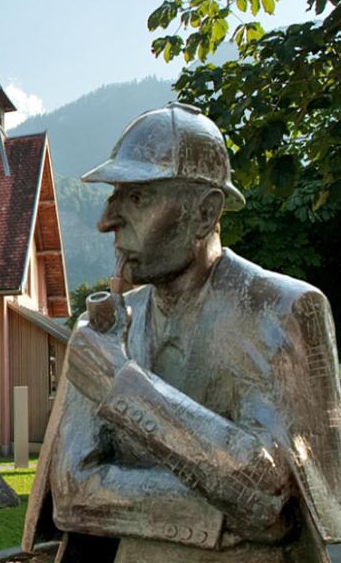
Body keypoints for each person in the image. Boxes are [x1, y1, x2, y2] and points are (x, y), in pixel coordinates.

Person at [22, 102, 341, 563]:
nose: (106, 220)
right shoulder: (108, 323)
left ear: (205, 212)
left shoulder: (283, 311)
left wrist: (121, 386)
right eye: (116, 196)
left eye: (138, 198)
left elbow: (271, 495)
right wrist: (217, 511)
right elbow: (73, 493)